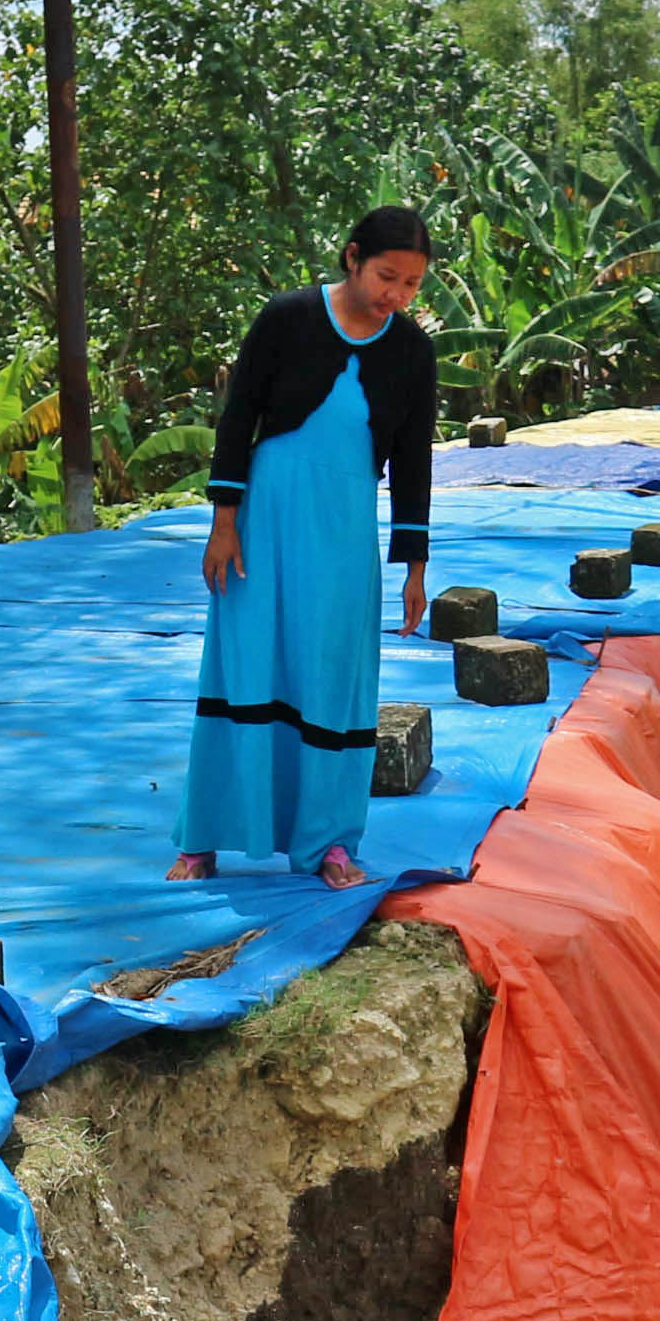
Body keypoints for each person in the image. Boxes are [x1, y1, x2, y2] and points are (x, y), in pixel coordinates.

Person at [171, 204, 439, 890]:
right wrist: (223, 522)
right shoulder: (286, 318)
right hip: (266, 519)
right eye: (387, 277)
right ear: (352, 257)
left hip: (345, 526)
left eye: (411, 285)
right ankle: (205, 838)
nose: (396, 296)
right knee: (244, 663)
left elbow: (413, 461)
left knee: (334, 672)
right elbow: (240, 418)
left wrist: (415, 566)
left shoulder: (412, 351)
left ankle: (331, 844)